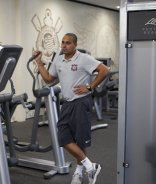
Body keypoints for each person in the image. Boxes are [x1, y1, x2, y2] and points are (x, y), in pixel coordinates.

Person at [33, 33, 109, 184]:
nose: (64, 45)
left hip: (81, 102)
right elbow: (48, 79)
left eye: (68, 43)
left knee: (80, 140)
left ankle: (79, 173)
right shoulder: (58, 59)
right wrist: (39, 63)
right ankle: (90, 166)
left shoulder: (83, 58)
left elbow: (104, 70)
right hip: (67, 103)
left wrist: (89, 87)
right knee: (64, 138)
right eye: (63, 42)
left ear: (75, 45)